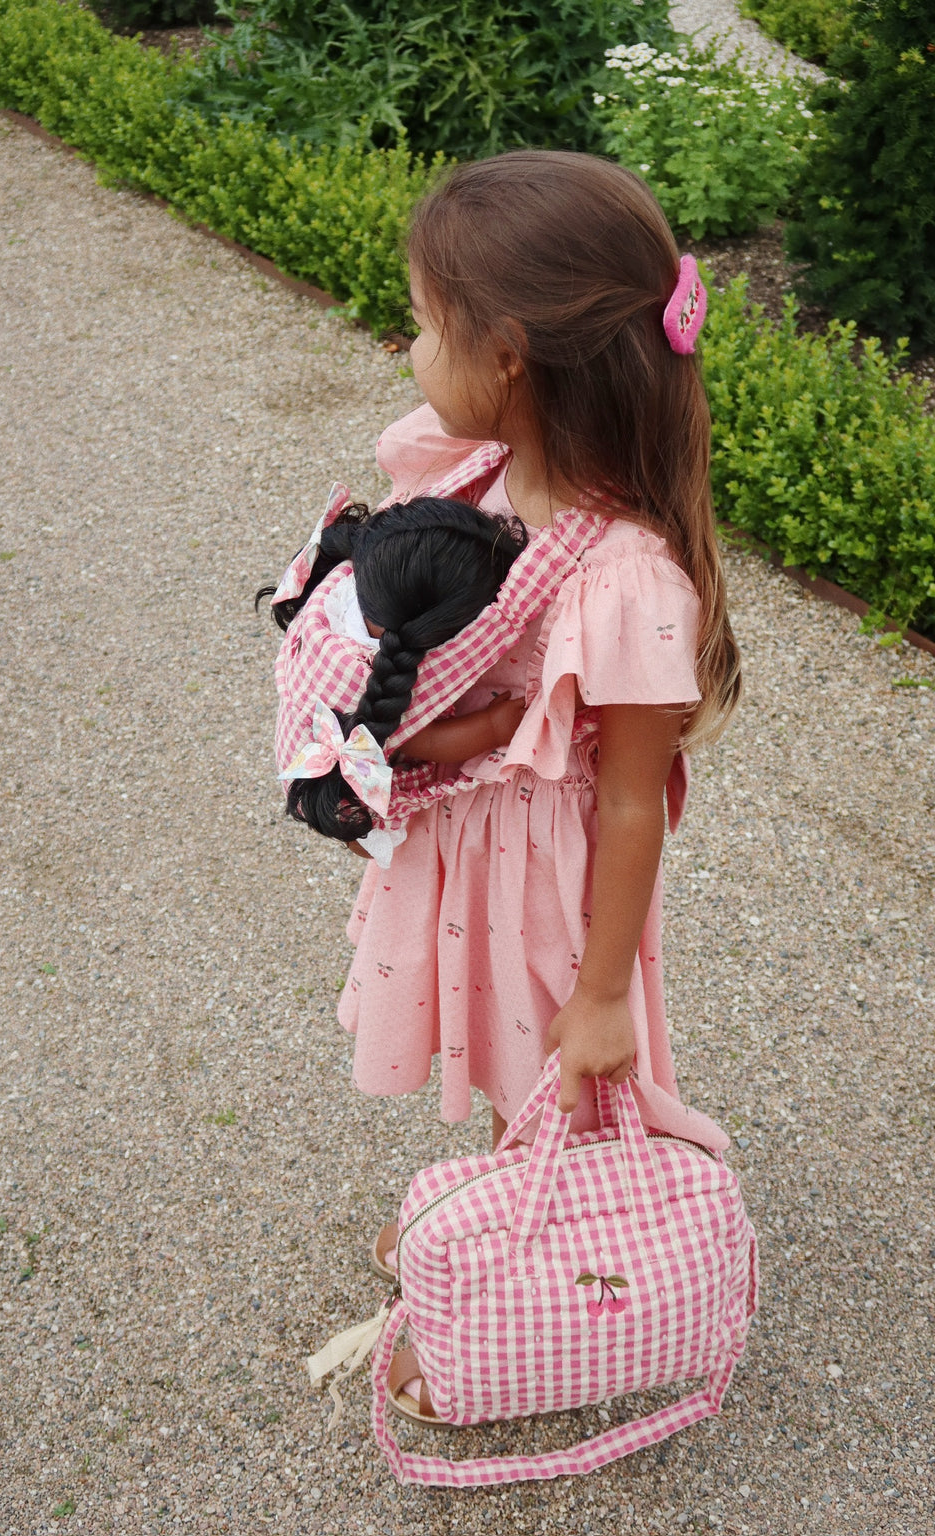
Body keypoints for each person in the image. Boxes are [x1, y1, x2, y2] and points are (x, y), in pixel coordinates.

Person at [328, 152, 742, 1310]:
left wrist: (603, 993)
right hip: (476, 849)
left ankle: (540, 1280)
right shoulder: (487, 472)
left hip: (552, 885)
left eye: (424, 325)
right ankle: (508, 1194)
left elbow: (630, 799)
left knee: (560, 1060)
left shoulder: (626, 581)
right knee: (514, 1049)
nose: (411, 351)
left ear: (509, 354)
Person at [259, 493, 528, 860]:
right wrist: (493, 727)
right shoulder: (371, 678)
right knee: (370, 840)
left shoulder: (344, 587)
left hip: (300, 732)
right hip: (331, 786)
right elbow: (424, 741)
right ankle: (361, 835)